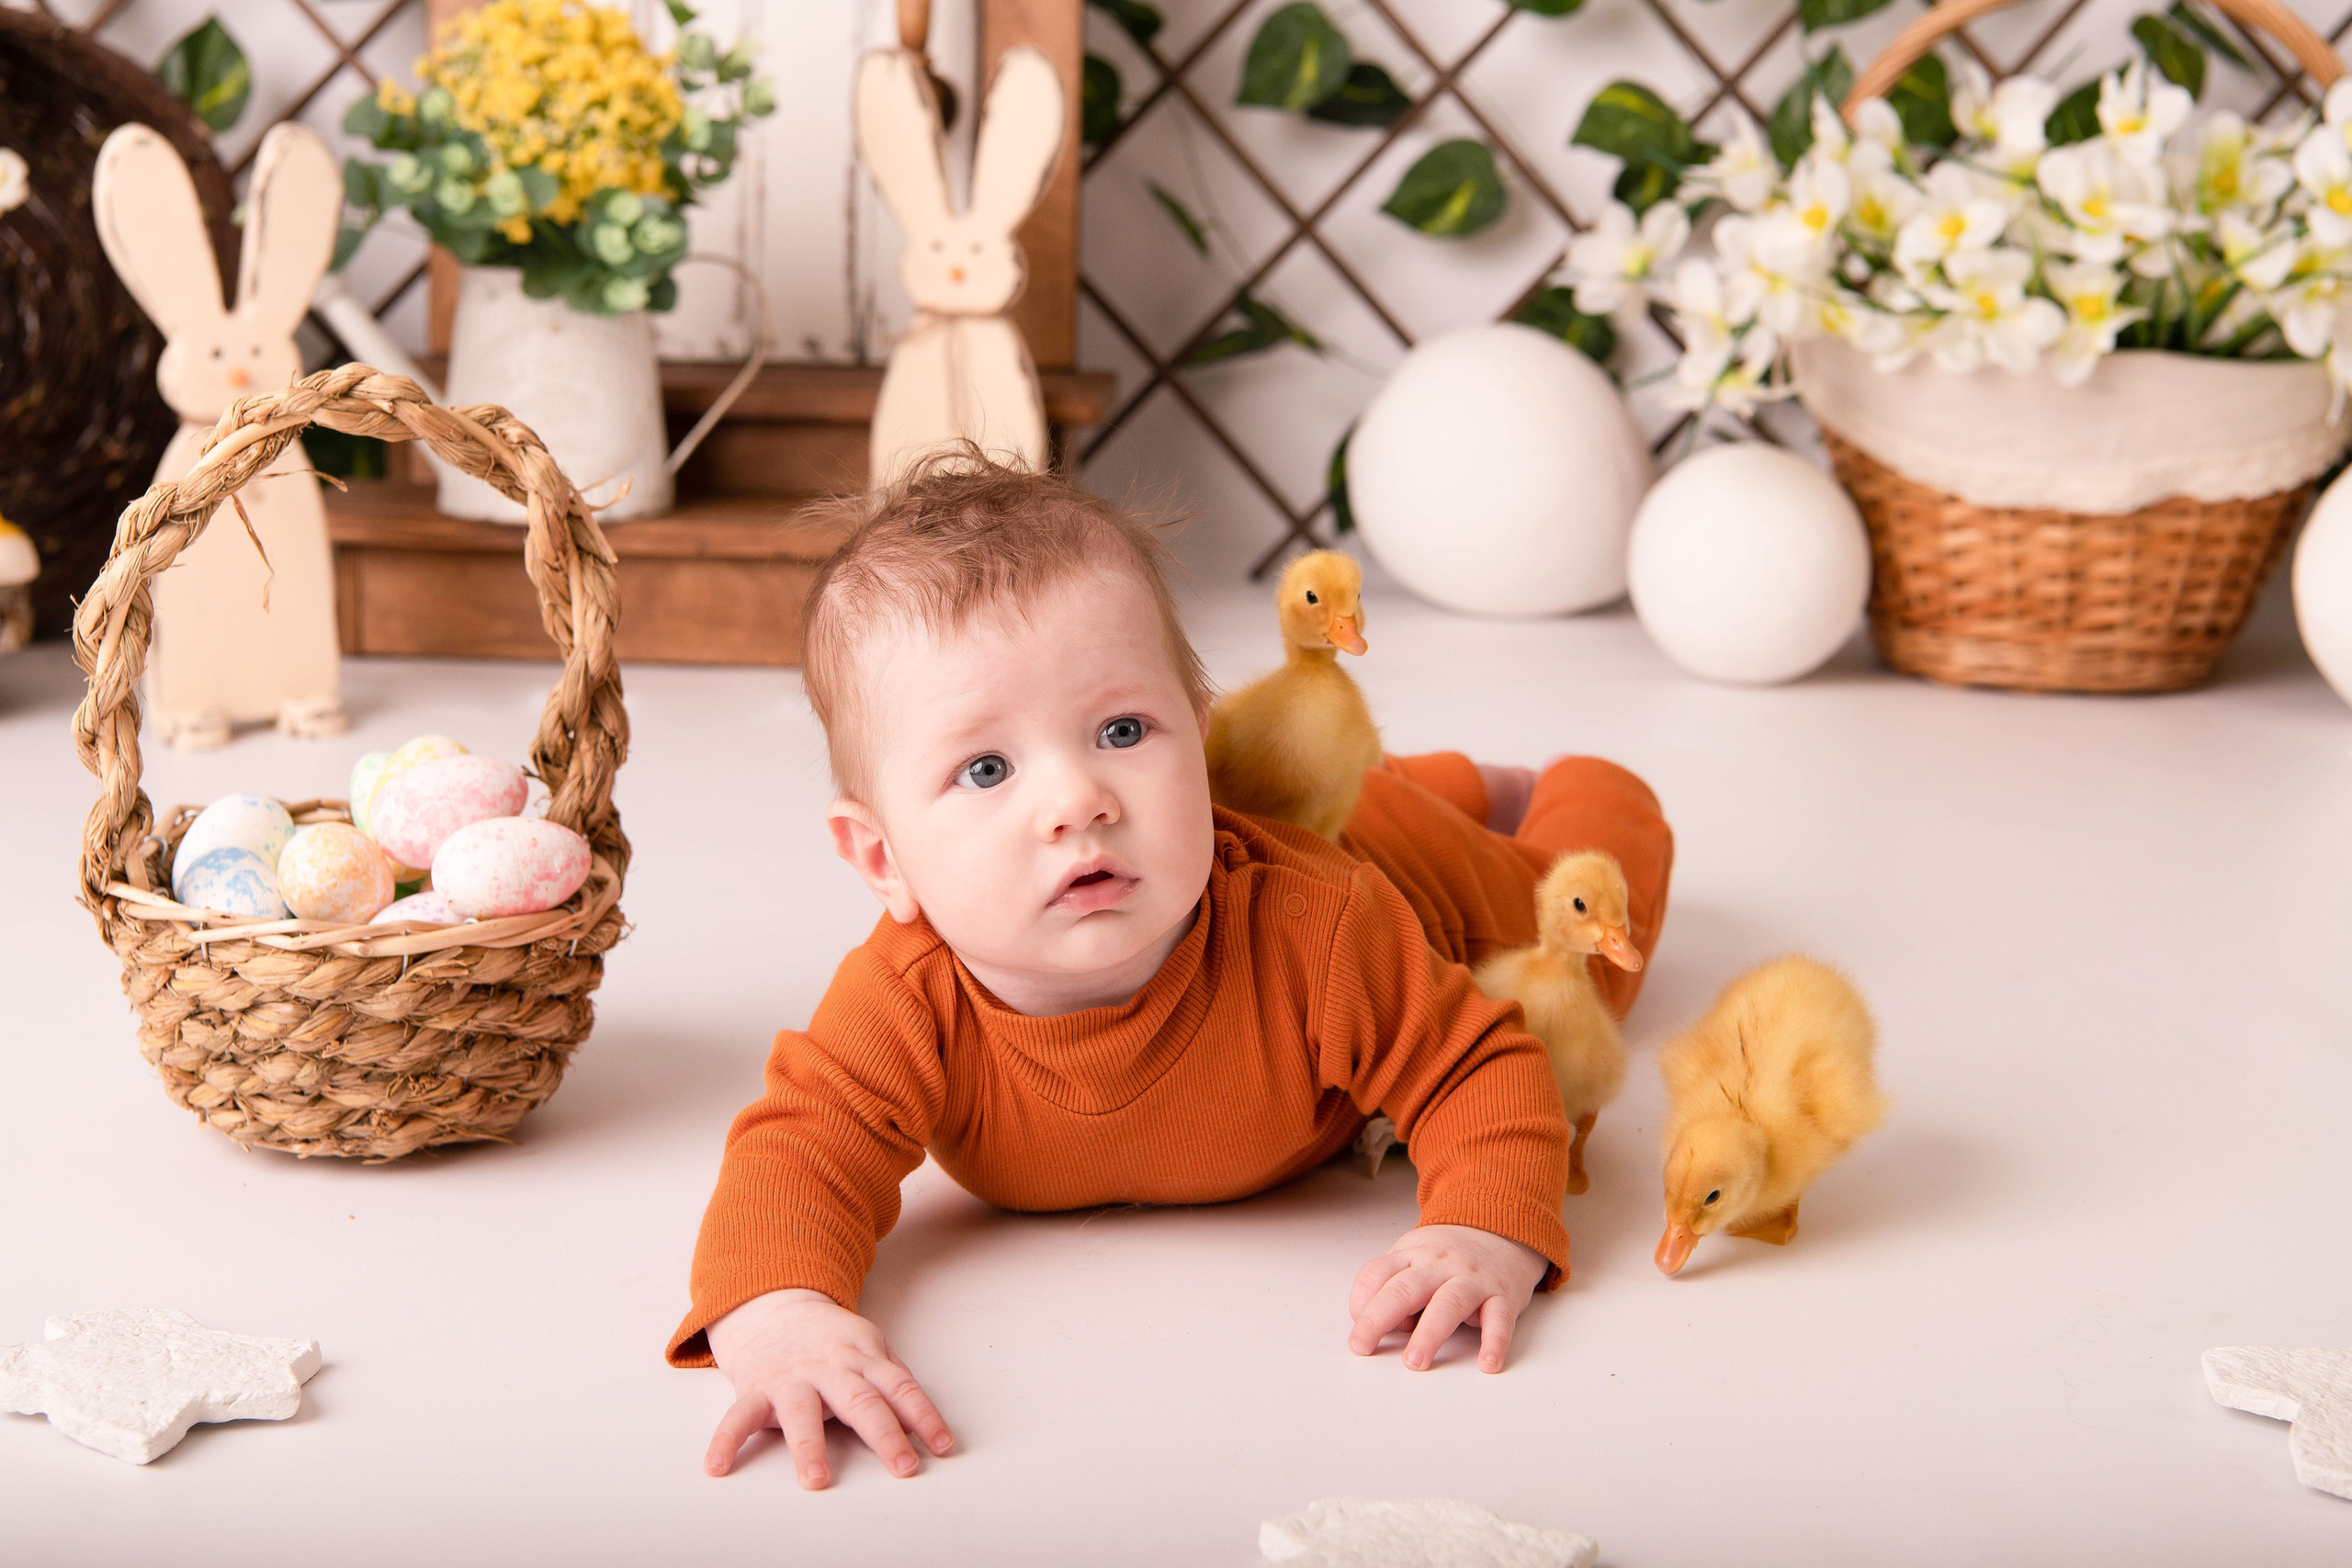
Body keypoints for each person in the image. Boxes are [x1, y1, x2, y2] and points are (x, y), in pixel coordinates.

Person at [668, 455, 1673, 1489]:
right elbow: (797, 1154)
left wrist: (1482, 1225)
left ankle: (1577, 786)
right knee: (1360, 784)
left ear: (1198, 742)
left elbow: (1482, 1067)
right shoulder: (906, 1001)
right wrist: (781, 1314)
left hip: (1415, 880)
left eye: (1121, 731)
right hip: (1331, 817)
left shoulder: (1318, 930)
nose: (1078, 799)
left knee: (1581, 944)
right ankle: (1443, 778)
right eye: (985, 769)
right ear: (882, 858)